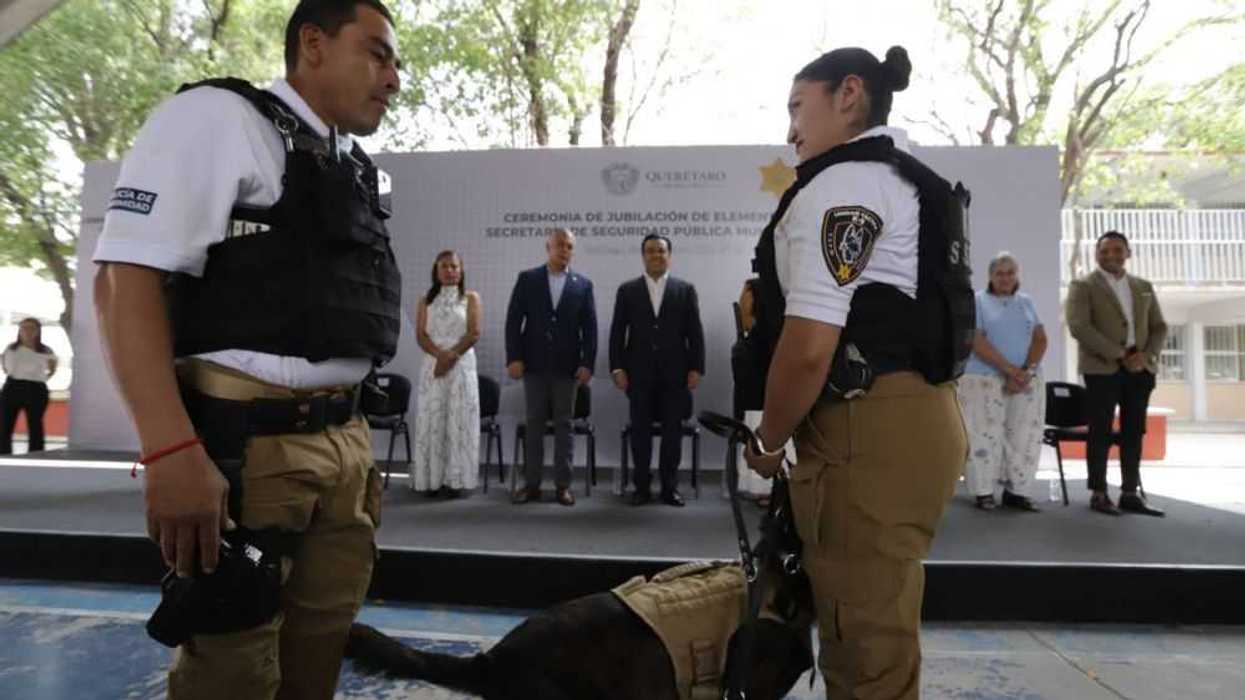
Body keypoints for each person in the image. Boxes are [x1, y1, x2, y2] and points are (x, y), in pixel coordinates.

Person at [92, 1, 402, 697]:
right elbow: (123, 284)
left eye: (397, 63)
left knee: (318, 656)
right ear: (313, 45)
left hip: (345, 450)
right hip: (248, 453)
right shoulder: (217, 119)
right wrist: (169, 450)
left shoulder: (349, 166)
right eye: (378, 53)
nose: (394, 77)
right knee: (230, 667)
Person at [742, 46, 971, 699]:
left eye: (796, 107)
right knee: (876, 624)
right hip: (906, 421)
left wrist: (768, 439)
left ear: (847, 94)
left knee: (862, 647)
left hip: (865, 433)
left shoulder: (841, 185)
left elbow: (809, 344)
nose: (789, 131)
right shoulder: (895, 179)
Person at [1066, 231, 1168, 517]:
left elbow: (1159, 327)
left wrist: (1144, 357)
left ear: (1128, 253)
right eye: (1104, 251)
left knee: (1134, 431)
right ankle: (1099, 493)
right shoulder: (1083, 286)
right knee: (1100, 430)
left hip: (1141, 369)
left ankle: (1129, 493)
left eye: (1117, 250)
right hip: (1103, 369)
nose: (1111, 255)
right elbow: (1079, 327)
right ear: (1096, 254)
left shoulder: (1144, 286)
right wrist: (1121, 354)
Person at [609, 233, 705, 507]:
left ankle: (669, 488)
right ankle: (641, 487)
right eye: (650, 251)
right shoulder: (627, 290)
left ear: (669, 256)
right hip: (637, 375)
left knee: (672, 433)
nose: (656, 255)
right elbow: (617, 332)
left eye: (661, 251)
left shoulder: (684, 290)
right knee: (640, 433)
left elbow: (694, 332)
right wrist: (617, 367)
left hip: (675, 375)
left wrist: (697, 367)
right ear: (643, 256)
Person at [505, 228, 598, 506]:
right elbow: (513, 322)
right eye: (559, 245)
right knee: (534, 425)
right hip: (533, 365)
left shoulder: (583, 285)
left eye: (569, 246)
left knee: (564, 426)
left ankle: (562, 486)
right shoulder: (528, 279)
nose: (564, 250)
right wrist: (514, 357)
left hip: (567, 369)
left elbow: (590, 329)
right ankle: (531, 484)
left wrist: (587, 363)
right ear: (548, 247)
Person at [957, 252, 1047, 511]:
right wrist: (1009, 370)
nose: (1005, 278)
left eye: (1010, 273)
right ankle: (983, 491)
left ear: (1017, 275)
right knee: (983, 435)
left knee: (1023, 436)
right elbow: (977, 340)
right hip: (983, 379)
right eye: (999, 273)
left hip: (1026, 381)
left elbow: (1041, 338)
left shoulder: (1026, 301)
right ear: (990, 277)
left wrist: (1026, 371)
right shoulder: (977, 301)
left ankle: (1017, 491)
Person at [410, 250, 481, 497]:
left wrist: (450, 357)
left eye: (454, 266)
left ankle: (456, 480)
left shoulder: (471, 298)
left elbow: (473, 333)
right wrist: (439, 356)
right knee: (433, 421)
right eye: (445, 267)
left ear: (461, 271)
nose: (450, 271)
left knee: (458, 422)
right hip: (433, 366)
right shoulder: (424, 300)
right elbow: (420, 334)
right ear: (436, 271)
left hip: (461, 367)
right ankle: (431, 480)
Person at [0, 318, 58, 454]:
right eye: (24, 328)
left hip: (36, 389)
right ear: (19, 331)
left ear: (38, 331)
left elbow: (52, 369)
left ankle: (36, 456)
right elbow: (5, 367)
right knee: (4, 425)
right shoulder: (11, 348)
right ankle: (3, 455)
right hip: (13, 387)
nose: (27, 331)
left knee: (35, 426)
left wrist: (40, 379)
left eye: (31, 328)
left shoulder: (45, 350)